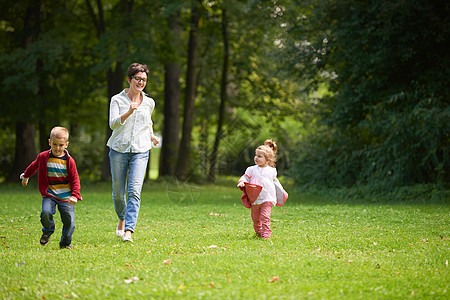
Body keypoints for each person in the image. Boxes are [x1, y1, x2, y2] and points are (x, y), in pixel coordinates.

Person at [107, 63, 160, 243]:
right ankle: (122, 217)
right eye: (137, 79)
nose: (141, 82)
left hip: (140, 150)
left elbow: (148, 122)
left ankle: (129, 229)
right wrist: (129, 111)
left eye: (144, 79)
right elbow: (113, 124)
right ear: (129, 79)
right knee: (118, 193)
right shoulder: (117, 100)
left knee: (135, 191)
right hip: (119, 150)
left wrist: (151, 136)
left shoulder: (149, 102)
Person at [20, 126, 82, 249]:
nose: (57, 148)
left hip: (66, 196)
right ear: (49, 142)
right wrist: (26, 176)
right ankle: (48, 230)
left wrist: (75, 195)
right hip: (50, 194)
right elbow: (33, 166)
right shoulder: (43, 157)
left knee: (69, 222)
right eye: (54, 144)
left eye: (61, 145)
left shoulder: (69, 161)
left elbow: (75, 179)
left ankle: (65, 243)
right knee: (46, 212)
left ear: (66, 145)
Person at [237, 139, 288, 239]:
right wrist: (242, 182)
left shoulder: (272, 171)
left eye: (260, 156)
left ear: (268, 159)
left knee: (265, 217)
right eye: (256, 155)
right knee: (255, 219)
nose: (256, 158)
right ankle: (259, 232)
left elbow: (275, 183)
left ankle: (266, 235)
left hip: (267, 198)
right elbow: (245, 177)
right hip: (255, 198)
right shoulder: (251, 169)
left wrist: (281, 193)